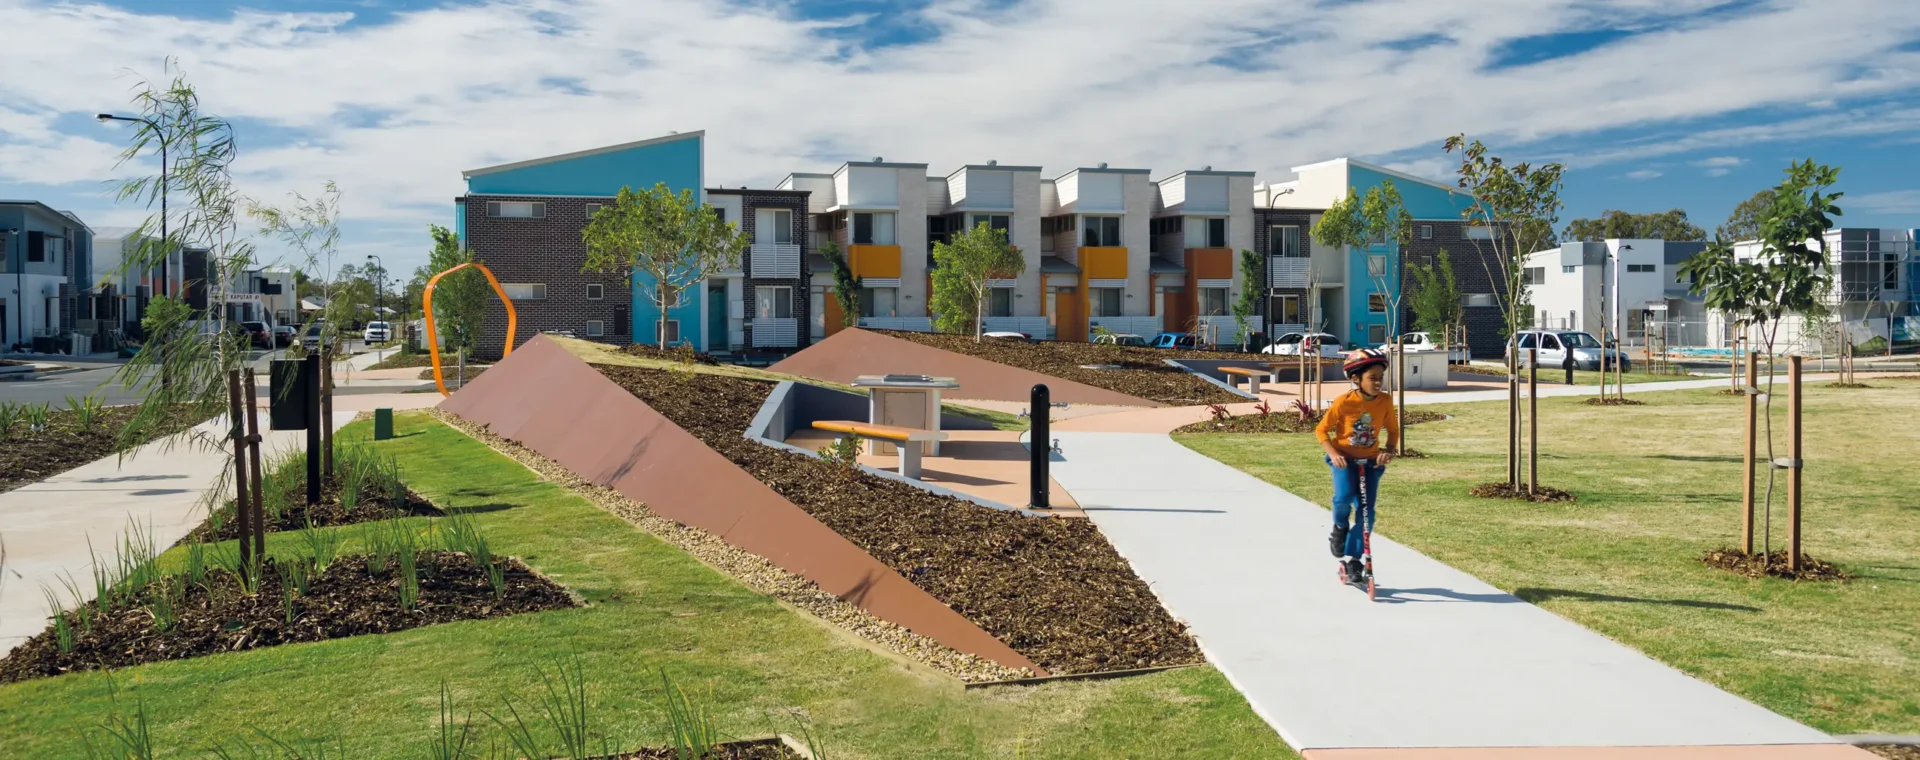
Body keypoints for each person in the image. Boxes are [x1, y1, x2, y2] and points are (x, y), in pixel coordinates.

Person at [1315, 347, 1399, 584]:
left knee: (1366, 513)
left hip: (1371, 463)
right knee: (1343, 498)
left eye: (1380, 378)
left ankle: (1354, 559)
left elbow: (1393, 431)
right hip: (1344, 460)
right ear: (1356, 379)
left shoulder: (1384, 401)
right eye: (1372, 378)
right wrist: (1334, 453)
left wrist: (1388, 452)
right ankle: (1340, 526)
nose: (1378, 382)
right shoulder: (1344, 403)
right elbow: (1321, 430)